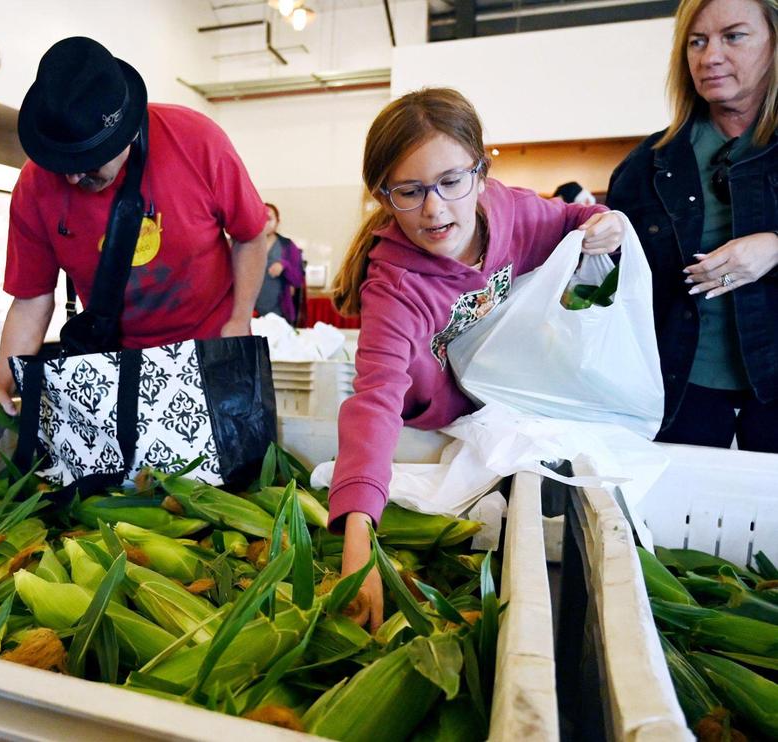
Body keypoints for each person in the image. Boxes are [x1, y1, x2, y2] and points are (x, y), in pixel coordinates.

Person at [328, 88, 624, 631]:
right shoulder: (395, 288)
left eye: (450, 182)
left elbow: (577, 217)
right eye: (409, 191)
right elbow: (374, 403)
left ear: (481, 172)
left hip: (502, 409)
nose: (435, 208)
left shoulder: (515, 213)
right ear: (382, 195)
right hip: (431, 433)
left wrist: (605, 221)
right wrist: (357, 535)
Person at [0, 37, 269, 462]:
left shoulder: (195, 140)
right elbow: (33, 300)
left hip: (209, 351)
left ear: (126, 133)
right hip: (114, 364)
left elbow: (249, 234)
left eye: (90, 162)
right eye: (63, 164)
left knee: (221, 481)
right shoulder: (35, 187)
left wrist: (239, 320)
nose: (74, 179)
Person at [608, 0, 778, 452]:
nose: (710, 57)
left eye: (734, 36)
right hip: (681, 395)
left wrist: (774, 247)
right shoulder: (645, 167)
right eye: (697, 42)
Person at [254, 203, 306, 324]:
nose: (265, 222)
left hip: (280, 312)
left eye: (269, 219)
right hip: (252, 312)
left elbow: (298, 279)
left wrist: (284, 266)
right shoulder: (248, 246)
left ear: (277, 221)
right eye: (261, 218)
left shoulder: (287, 246)